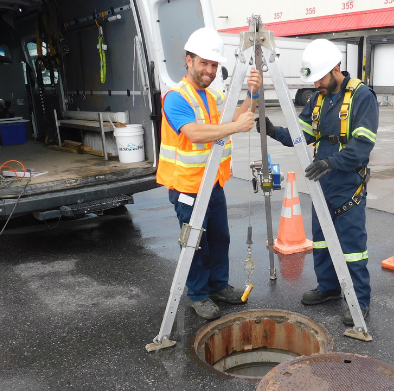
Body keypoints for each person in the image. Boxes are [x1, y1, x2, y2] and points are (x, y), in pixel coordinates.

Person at [259, 39, 378, 326]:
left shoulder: (362, 97)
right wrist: (274, 131)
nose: (316, 85)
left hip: (348, 182)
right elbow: (303, 136)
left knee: (352, 246)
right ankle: (329, 288)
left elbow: (363, 144)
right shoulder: (318, 99)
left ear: (336, 69)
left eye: (320, 78)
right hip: (322, 182)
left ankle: (359, 301)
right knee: (322, 239)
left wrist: (331, 162)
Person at [157, 27, 262, 320]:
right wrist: (235, 127)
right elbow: (193, 133)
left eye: (214, 65)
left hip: (212, 183)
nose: (210, 70)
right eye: (204, 63)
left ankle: (217, 286)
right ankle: (198, 294)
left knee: (219, 238)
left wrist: (252, 93)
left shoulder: (214, 96)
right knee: (195, 243)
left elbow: (239, 116)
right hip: (187, 188)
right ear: (188, 60)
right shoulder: (176, 97)